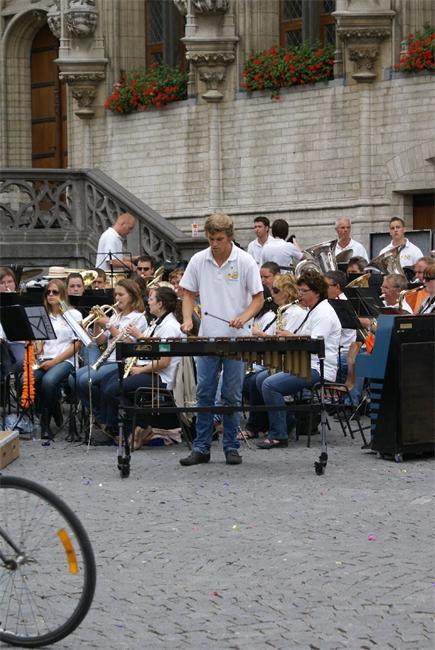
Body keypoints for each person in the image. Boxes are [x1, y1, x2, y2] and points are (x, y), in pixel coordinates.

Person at [178, 213, 264, 466]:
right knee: (204, 392)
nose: (214, 244)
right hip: (208, 336)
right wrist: (187, 319)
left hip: (237, 338)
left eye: (219, 239)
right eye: (211, 239)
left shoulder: (245, 260)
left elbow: (258, 298)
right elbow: (187, 294)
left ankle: (231, 446)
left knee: (231, 395)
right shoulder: (199, 260)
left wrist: (243, 317)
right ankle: (201, 447)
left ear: (230, 237)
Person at [256, 270, 341, 449]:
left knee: (269, 385)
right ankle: (287, 421)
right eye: (299, 290)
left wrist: (291, 337)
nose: (300, 294)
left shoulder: (324, 313)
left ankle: (279, 435)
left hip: (319, 368)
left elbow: (314, 344)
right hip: (307, 364)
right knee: (260, 378)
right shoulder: (314, 310)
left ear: (316, 292)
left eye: (303, 291)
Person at [104, 286, 185, 448]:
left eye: (152, 299)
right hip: (152, 372)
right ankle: (131, 428)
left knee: (112, 391)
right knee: (109, 383)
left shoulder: (169, 326)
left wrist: (140, 369)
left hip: (162, 377)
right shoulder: (157, 323)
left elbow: (164, 362)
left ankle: (141, 427)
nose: (148, 302)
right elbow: (152, 351)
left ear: (160, 304)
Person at [74, 279, 147, 443]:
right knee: (75, 378)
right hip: (107, 360)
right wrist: (96, 323)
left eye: (121, 294)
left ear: (132, 296)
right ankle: (101, 418)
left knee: (85, 380)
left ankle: (104, 422)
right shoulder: (115, 315)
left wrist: (108, 325)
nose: (117, 298)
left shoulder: (138, 318)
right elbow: (100, 341)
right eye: (116, 294)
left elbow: (128, 344)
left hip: (122, 362)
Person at [243, 274, 307, 438]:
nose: (272, 294)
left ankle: (272, 426)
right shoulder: (282, 311)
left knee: (257, 380)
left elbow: (286, 342)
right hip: (280, 359)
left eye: (276, 290)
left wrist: (261, 335)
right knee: (254, 379)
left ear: (287, 291)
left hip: (293, 361)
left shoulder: (295, 313)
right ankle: (267, 423)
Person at [31, 279, 82, 439]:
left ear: (63, 294)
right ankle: (54, 407)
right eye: (48, 292)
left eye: (55, 292)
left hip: (66, 360)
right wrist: (37, 346)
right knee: (29, 379)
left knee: (48, 381)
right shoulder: (43, 315)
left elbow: (77, 345)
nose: (51, 295)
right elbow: (40, 344)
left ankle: (45, 423)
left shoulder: (73, 314)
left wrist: (53, 362)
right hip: (45, 359)